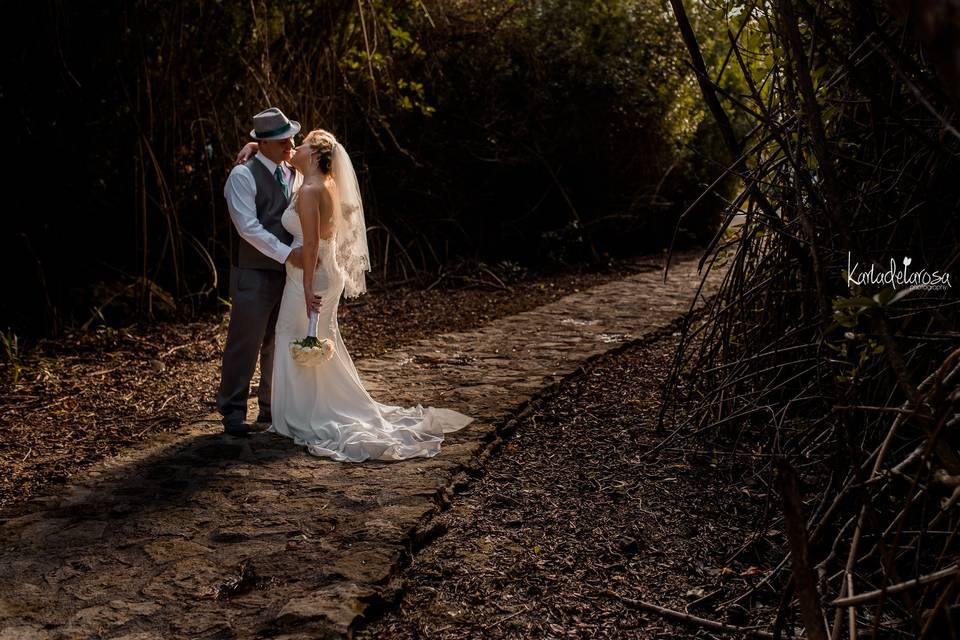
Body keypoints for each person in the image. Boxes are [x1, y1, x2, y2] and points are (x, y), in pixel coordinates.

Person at [243, 129, 474, 461]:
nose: (295, 147)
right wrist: (255, 145)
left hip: (311, 276)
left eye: (303, 143)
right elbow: (288, 167)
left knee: (292, 336)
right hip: (326, 272)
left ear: (314, 154)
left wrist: (307, 289)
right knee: (317, 340)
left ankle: (297, 416)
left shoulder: (309, 190)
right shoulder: (324, 182)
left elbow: (309, 246)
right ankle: (310, 407)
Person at [216, 107, 305, 437]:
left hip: (289, 275)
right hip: (254, 272)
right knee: (245, 342)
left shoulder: (292, 169)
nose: (290, 145)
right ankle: (233, 411)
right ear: (263, 143)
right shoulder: (242, 176)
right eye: (282, 140)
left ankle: (270, 407)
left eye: (290, 138)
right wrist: (287, 255)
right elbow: (248, 227)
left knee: (278, 342)